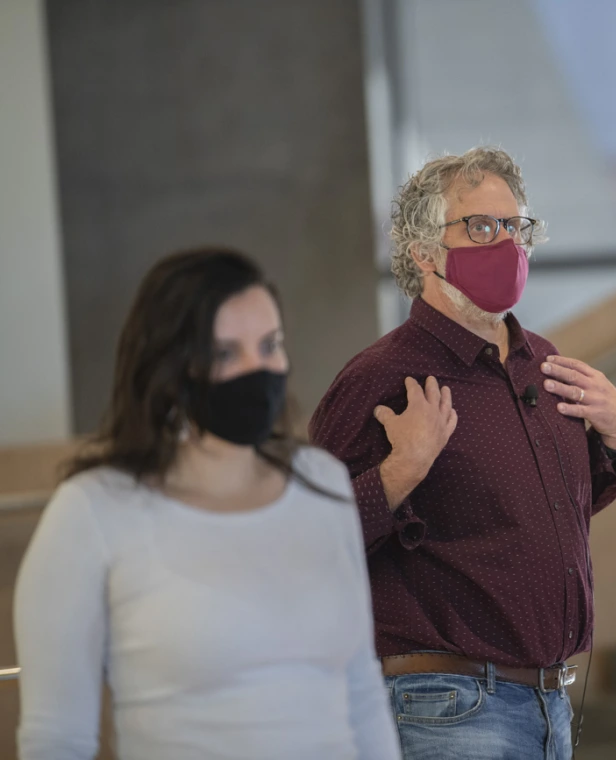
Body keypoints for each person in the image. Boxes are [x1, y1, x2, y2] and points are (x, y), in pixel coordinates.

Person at [309, 146, 616, 759]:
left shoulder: (544, 364)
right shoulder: (382, 377)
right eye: (482, 227)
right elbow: (306, 537)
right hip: (444, 705)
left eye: (515, 227)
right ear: (424, 251)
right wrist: (398, 474)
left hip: (549, 702)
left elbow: (542, 518)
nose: (507, 244)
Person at [14, 248, 401, 760]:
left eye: (269, 346)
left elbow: (361, 694)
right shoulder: (92, 511)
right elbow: (57, 739)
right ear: (172, 368)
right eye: (225, 354)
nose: (256, 370)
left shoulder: (321, 485)